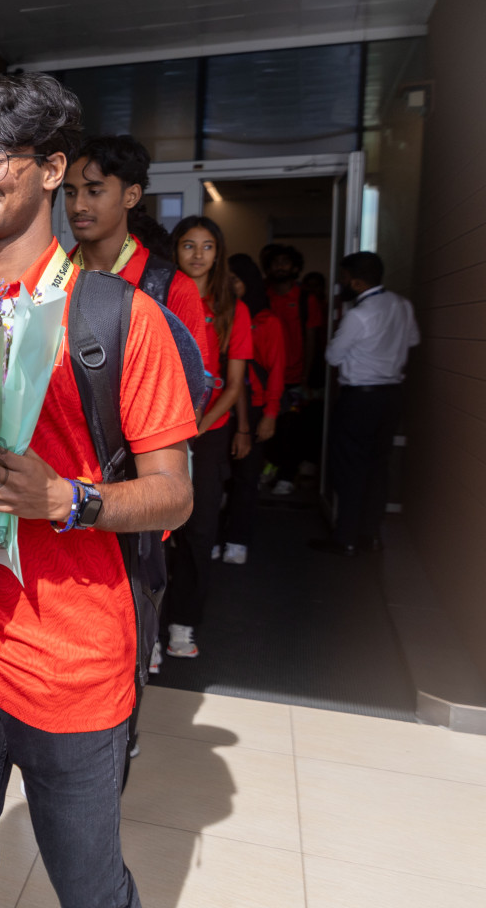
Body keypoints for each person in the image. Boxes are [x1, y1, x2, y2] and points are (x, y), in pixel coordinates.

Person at [0, 73, 195, 908]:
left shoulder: (120, 320)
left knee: (88, 888)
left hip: (76, 664)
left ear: (51, 170)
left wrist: (70, 501)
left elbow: (173, 495)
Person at [164, 216, 249, 660]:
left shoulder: (233, 308)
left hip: (207, 434)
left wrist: (195, 428)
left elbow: (233, 385)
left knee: (198, 535)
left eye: (208, 246)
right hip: (156, 435)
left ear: (219, 253)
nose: (198, 255)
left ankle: (182, 625)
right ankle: (148, 632)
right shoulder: (161, 297)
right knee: (151, 536)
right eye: (188, 246)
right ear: (175, 251)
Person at [63, 135, 218, 376]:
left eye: (93, 191)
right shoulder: (53, 280)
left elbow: (192, 395)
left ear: (131, 196)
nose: (78, 206)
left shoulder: (172, 288)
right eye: (71, 193)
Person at [312, 251, 419, 557]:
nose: (341, 284)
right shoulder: (403, 305)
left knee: (350, 468)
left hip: (360, 398)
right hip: (391, 396)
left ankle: (344, 537)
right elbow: (411, 341)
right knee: (378, 466)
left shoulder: (359, 315)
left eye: (344, 278)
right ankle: (369, 535)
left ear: (357, 282)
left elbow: (332, 356)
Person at [222, 254, 286, 565]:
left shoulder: (267, 321)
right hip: (222, 407)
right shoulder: (222, 315)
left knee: (247, 477)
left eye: (237, 279)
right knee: (221, 478)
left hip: (256, 407)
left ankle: (238, 538)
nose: (232, 285)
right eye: (228, 279)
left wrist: (271, 414)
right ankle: (217, 536)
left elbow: (276, 370)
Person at [260, 245, 320, 496]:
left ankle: (287, 475)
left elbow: (312, 340)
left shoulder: (306, 299)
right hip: (264, 377)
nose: (280, 267)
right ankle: (271, 467)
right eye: (276, 262)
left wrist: (306, 378)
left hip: (294, 378)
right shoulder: (262, 296)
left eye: (286, 262)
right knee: (266, 428)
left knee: (291, 428)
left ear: (295, 268)